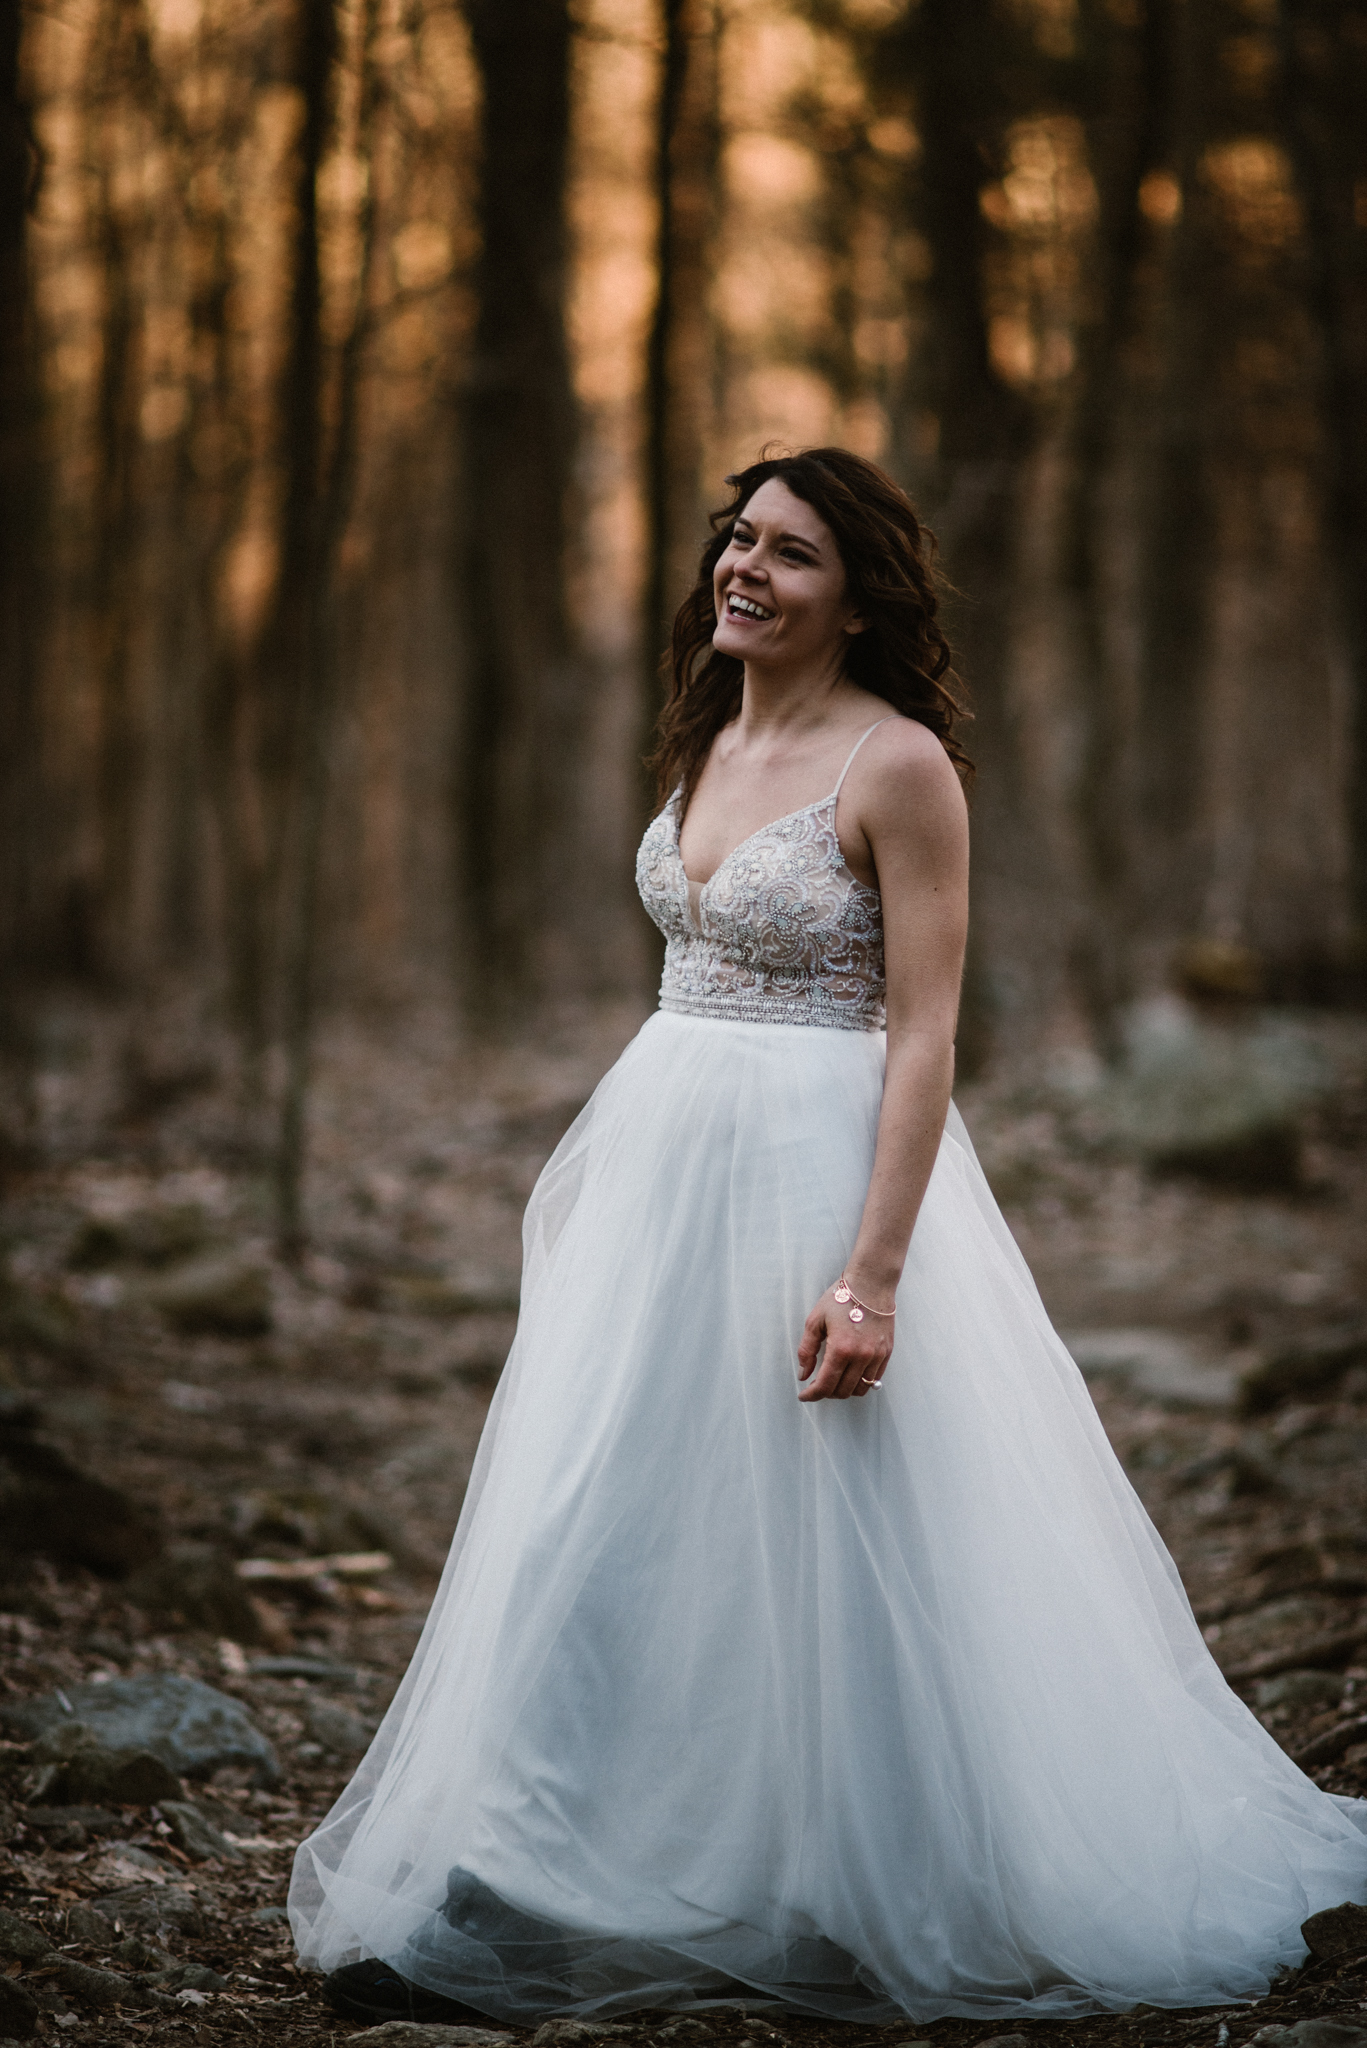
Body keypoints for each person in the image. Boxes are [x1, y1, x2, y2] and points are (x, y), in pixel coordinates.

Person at [290, 449, 1367, 2030]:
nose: (746, 569)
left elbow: (922, 1038)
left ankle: (857, 1879)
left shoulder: (900, 766)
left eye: (791, 554)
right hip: (664, 1179)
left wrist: (872, 1274)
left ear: (860, 596)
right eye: (739, 539)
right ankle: (542, 1862)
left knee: (838, 1539)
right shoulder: (710, 736)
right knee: (610, 1512)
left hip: (817, 1175)